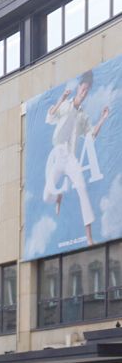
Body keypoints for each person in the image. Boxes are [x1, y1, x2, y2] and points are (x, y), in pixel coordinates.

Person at [44, 71, 112, 246]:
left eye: (87, 90)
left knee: (82, 189)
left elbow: (91, 135)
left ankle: (89, 236)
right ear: (78, 88)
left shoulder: (83, 116)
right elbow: (50, 116)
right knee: (47, 196)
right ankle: (58, 195)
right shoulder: (66, 105)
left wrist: (103, 118)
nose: (85, 92)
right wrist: (61, 99)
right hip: (58, 153)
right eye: (83, 88)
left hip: (70, 158)